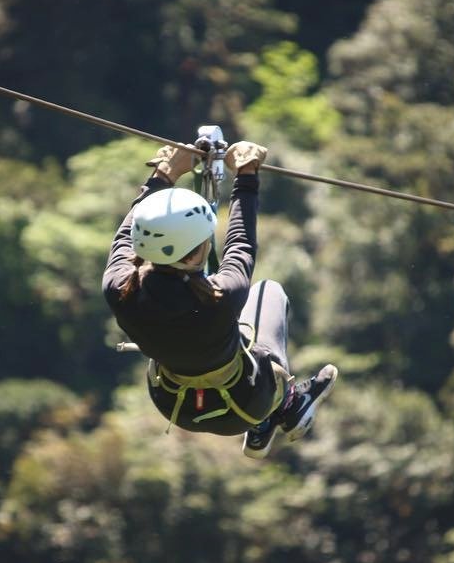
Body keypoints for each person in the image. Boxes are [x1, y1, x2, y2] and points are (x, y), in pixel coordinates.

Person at [102, 140, 337, 459]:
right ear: (199, 249)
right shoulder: (219, 294)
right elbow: (240, 244)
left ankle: (269, 418)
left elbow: (125, 237)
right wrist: (245, 172)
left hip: (178, 408)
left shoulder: (120, 288)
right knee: (269, 291)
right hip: (247, 404)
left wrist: (167, 173)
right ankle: (288, 406)